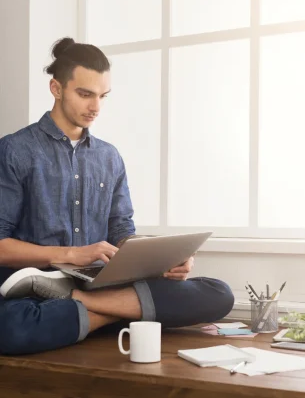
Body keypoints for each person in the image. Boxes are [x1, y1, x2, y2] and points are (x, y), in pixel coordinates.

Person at [0, 37, 234, 355]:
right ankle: (123, 313)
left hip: (100, 284)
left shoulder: (109, 157)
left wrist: (162, 260)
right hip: (35, 287)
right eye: (85, 94)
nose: (95, 107)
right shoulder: (14, 150)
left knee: (219, 293)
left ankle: (84, 306)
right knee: (11, 327)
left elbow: (122, 232)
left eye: (102, 96)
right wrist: (70, 255)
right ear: (56, 88)